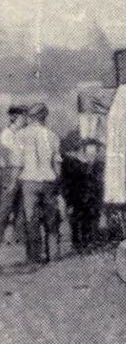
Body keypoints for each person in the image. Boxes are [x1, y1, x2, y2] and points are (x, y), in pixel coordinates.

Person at [15, 103, 62, 263]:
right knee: (51, 218)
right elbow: (57, 162)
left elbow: (18, 161)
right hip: (48, 180)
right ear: (45, 117)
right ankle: (53, 254)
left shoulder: (21, 134)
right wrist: (58, 182)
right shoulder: (53, 135)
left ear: (30, 117)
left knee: (31, 219)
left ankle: (35, 256)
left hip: (28, 181)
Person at [60, 136, 105, 253]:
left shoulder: (98, 165)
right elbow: (67, 181)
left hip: (91, 195)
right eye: (90, 152)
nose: (93, 156)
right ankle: (78, 243)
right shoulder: (72, 164)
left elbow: (99, 181)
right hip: (77, 195)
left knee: (91, 218)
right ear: (82, 150)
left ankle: (87, 242)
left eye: (95, 152)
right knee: (76, 218)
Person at [0, 106, 26, 245]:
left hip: (22, 171)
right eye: (22, 117)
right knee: (5, 206)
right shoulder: (6, 134)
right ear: (13, 118)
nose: (25, 119)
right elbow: (10, 157)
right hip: (9, 172)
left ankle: (19, 237)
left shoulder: (22, 133)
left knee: (21, 207)